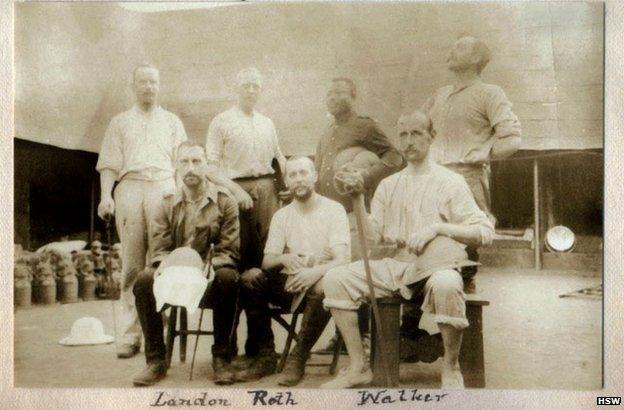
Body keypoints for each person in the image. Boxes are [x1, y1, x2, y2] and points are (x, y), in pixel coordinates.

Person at [320, 111, 494, 389]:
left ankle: (450, 367)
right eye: (403, 134)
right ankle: (357, 367)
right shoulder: (389, 185)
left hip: (436, 266)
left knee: (448, 283)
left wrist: (438, 228)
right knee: (334, 279)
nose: (409, 141)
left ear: (431, 137)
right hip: (397, 266)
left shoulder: (450, 182)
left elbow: (485, 232)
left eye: (416, 133)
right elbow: (373, 239)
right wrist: (358, 199)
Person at [96, 63, 187, 358]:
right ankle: (132, 332)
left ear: (159, 85)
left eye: (153, 81)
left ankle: (160, 328)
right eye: (143, 82)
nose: (149, 86)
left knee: (162, 260)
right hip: (131, 187)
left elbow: (183, 163)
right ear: (133, 86)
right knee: (133, 263)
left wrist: (180, 193)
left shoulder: (172, 121)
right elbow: (109, 163)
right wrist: (106, 196)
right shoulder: (119, 122)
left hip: (164, 188)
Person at [131, 141, 240, 386]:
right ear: (175, 166)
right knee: (144, 280)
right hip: (174, 271)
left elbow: (229, 249)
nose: (190, 168)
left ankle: (221, 357)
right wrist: (171, 266)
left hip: (209, 274)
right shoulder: (166, 202)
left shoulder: (225, 202)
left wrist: (205, 268)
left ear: (206, 165)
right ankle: (156, 360)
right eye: (184, 162)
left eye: (196, 161)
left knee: (229, 278)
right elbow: (159, 247)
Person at [237, 156, 351, 384]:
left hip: (319, 286)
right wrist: (285, 258)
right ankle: (266, 355)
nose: (299, 179)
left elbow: (344, 259)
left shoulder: (334, 210)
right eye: (293, 175)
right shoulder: (282, 215)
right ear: (287, 182)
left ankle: (297, 358)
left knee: (323, 286)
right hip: (290, 284)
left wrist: (315, 272)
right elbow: (268, 261)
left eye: (303, 173)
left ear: (315, 176)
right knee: (250, 279)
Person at [421, 35, 522, 289]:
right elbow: (417, 128)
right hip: (432, 177)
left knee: (464, 249)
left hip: (467, 178)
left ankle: (464, 315)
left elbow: (510, 140)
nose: (452, 50)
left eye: (461, 47)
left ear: (477, 58)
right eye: (453, 45)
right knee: (426, 244)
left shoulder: (490, 93)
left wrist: (480, 155)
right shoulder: (439, 95)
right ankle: (416, 324)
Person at [205, 67, 287, 375]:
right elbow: (211, 168)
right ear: (236, 89)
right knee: (236, 269)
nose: (251, 90)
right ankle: (227, 350)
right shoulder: (221, 121)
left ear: (260, 90)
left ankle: (259, 349)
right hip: (235, 192)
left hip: (267, 193)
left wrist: (286, 182)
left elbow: (280, 159)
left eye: (256, 85)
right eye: (246, 85)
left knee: (261, 267)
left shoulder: (267, 122)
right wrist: (236, 189)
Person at [313, 77, 404, 354]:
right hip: (328, 216)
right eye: (329, 92)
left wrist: (364, 176)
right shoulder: (327, 131)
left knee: (356, 270)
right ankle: (340, 336)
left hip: (353, 213)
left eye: (340, 92)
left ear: (353, 96)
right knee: (335, 273)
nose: (333, 97)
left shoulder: (365, 125)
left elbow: (395, 157)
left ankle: (363, 338)